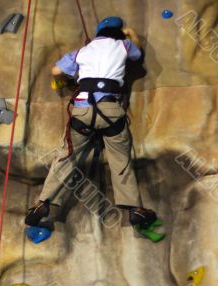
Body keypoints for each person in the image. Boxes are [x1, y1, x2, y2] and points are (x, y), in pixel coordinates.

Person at [25, 17, 157, 228]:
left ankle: (42, 203)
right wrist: (131, 33)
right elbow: (138, 54)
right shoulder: (123, 44)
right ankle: (135, 210)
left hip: (83, 110)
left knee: (67, 157)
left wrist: (73, 76)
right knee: (120, 160)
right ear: (118, 33)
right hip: (110, 110)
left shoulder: (83, 52)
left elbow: (55, 71)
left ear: (98, 33)